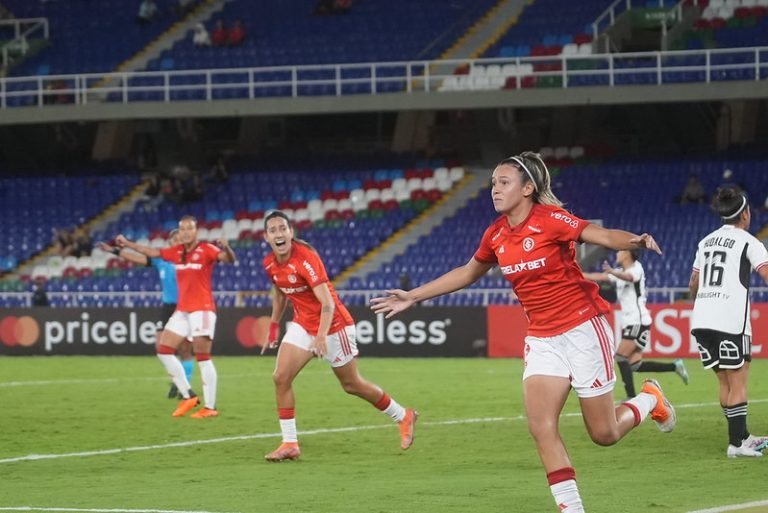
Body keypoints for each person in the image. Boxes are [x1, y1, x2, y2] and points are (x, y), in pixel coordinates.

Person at [371, 152, 676, 513]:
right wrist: (413, 296)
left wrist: (635, 241)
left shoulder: (551, 220)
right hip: (543, 338)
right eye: (493, 183)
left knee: (604, 434)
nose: (495, 190)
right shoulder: (496, 234)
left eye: (504, 182)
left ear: (528, 188)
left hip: (583, 328)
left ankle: (649, 399)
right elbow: (468, 273)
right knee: (541, 426)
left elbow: (602, 235)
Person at [260, 210, 417, 462]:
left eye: (282, 229)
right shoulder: (269, 263)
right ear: (266, 237)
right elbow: (280, 291)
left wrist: (321, 336)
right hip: (303, 324)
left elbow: (328, 304)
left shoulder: (306, 259)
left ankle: (404, 415)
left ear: (291, 233)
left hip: (334, 325)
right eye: (273, 230)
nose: (278, 234)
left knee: (351, 384)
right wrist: (273, 324)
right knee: (281, 377)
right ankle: (289, 443)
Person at [116, 216, 236, 418]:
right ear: (179, 233)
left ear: (196, 231)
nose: (187, 232)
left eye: (190, 228)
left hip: (202, 310)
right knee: (163, 350)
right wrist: (127, 243)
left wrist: (228, 249)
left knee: (202, 356)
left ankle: (210, 407)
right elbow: (151, 252)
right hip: (183, 311)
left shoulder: (207, 249)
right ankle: (188, 395)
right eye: (183, 229)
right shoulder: (176, 252)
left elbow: (229, 260)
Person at [689, 186, 768, 458]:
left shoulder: (705, 242)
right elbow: (766, 273)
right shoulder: (749, 242)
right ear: (745, 213)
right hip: (730, 319)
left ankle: (743, 436)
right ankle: (736, 444)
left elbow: (693, 285)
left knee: (725, 382)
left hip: (701, 319)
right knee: (738, 381)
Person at [98, 229, 194, 398]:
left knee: (185, 350)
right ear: (171, 243)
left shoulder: (190, 260)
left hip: (186, 307)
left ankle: (184, 387)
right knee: (161, 348)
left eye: (180, 240)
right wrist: (114, 251)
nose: (177, 242)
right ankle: (177, 381)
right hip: (168, 307)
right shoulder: (162, 260)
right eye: (174, 240)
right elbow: (138, 258)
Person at [584, 251, 689, 399]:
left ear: (628, 254)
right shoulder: (620, 272)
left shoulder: (636, 268)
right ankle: (675, 366)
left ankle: (631, 397)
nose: (618, 253)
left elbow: (629, 277)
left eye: (621, 251)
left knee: (620, 357)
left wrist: (613, 272)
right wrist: (577, 275)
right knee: (635, 365)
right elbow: (600, 277)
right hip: (632, 323)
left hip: (638, 321)